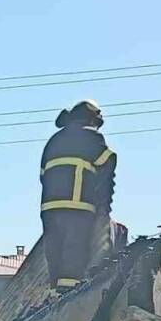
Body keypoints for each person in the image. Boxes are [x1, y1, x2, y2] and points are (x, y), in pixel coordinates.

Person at [39, 100, 118, 289]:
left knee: (55, 253)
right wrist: (104, 206)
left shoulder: (54, 141)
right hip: (78, 206)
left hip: (49, 209)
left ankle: (54, 291)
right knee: (74, 252)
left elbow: (43, 176)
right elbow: (108, 166)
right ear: (91, 119)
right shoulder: (92, 138)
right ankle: (69, 292)